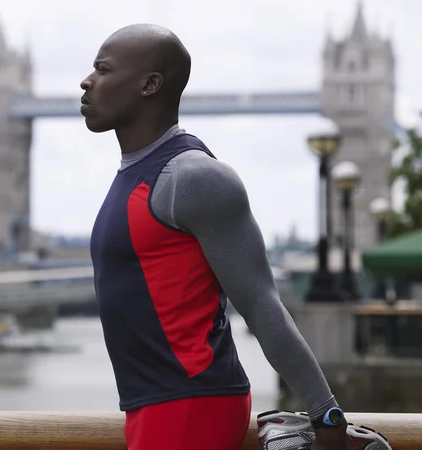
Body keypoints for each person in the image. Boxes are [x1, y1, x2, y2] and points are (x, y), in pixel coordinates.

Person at [80, 24, 388, 450]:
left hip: (190, 406)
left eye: (102, 69)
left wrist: (327, 416)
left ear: (150, 85)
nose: (86, 80)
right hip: (153, 405)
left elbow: (261, 302)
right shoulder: (133, 173)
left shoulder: (193, 178)